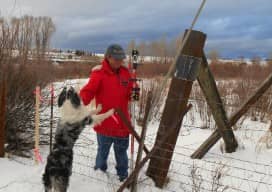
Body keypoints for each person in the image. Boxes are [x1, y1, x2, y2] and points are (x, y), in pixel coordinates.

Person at [80, 44, 139, 181]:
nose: (119, 61)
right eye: (116, 58)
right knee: (102, 152)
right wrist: (80, 102)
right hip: (104, 123)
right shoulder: (99, 73)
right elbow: (89, 90)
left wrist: (135, 92)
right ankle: (99, 176)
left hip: (122, 124)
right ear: (108, 57)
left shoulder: (126, 73)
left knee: (121, 154)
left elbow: (132, 95)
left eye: (121, 59)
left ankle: (123, 177)